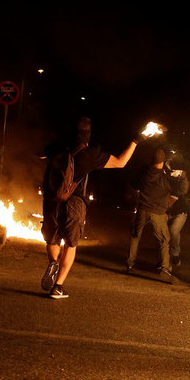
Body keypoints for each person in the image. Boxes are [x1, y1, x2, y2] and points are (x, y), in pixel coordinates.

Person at [40, 117, 139, 299]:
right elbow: (121, 162)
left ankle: (53, 262)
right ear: (88, 135)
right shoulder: (89, 154)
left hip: (53, 200)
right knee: (71, 243)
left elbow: (41, 154)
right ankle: (58, 287)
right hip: (75, 203)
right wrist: (135, 141)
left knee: (52, 239)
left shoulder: (59, 147)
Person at [125, 148, 188, 284]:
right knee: (164, 241)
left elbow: (132, 182)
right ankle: (165, 270)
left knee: (135, 236)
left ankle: (130, 264)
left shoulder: (144, 173)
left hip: (142, 209)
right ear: (162, 162)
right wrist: (183, 177)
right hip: (158, 213)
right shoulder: (164, 178)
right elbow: (182, 190)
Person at [165, 164, 189, 268]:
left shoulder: (183, 182)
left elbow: (181, 191)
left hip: (180, 212)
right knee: (164, 235)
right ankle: (165, 261)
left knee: (173, 230)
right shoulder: (166, 178)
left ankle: (175, 254)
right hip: (167, 212)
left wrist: (182, 177)